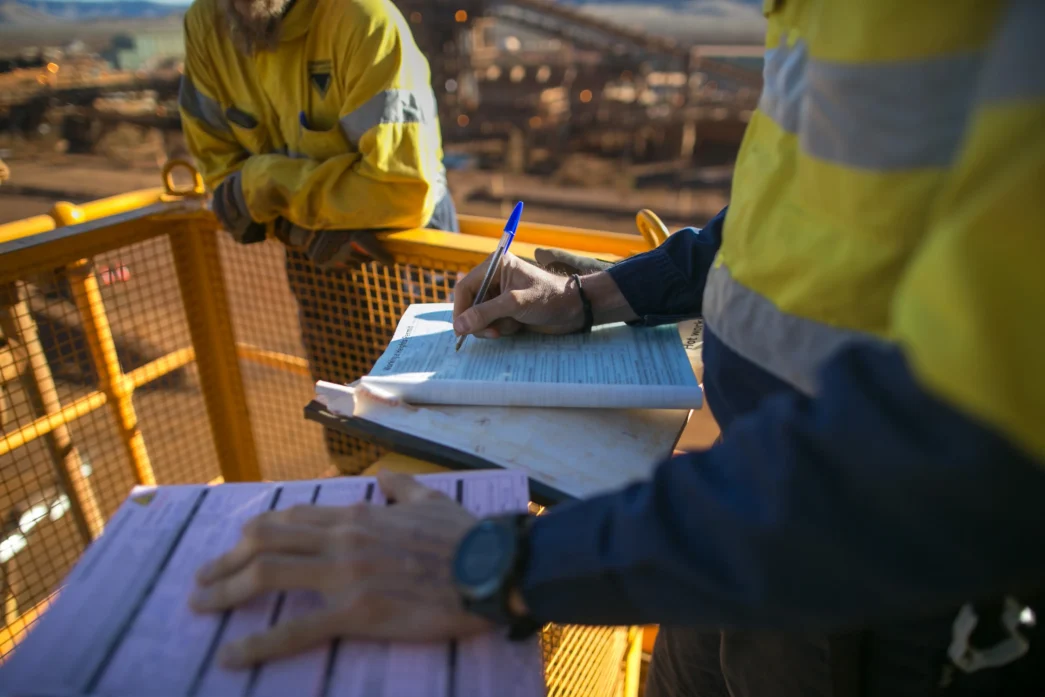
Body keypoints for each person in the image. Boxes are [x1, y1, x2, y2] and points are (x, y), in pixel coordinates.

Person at [187, 1, 1045, 695]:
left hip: (870, 592)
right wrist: (585, 298)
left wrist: (501, 562)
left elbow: (954, 452)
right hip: (732, 517)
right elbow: (773, 223)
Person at [178, 0, 457, 473]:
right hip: (312, 256)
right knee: (347, 426)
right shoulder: (207, 25)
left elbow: (404, 189)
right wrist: (302, 217)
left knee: (436, 433)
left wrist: (265, 185)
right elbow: (219, 171)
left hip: (407, 252)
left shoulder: (360, 21)